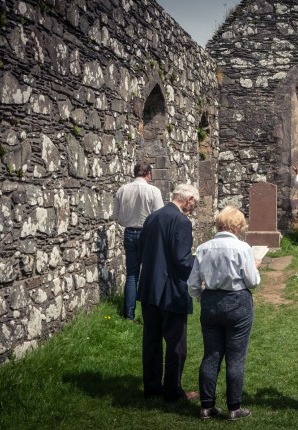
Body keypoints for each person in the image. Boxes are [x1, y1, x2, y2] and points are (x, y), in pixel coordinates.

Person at [188, 207, 260, 421]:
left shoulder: (203, 248)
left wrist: (203, 297)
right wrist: (255, 267)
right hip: (237, 302)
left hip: (211, 301)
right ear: (237, 226)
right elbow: (252, 282)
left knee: (211, 354)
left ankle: (206, 406)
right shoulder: (242, 248)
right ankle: (234, 407)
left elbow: (192, 283)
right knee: (236, 356)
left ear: (219, 224)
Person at [138, 182, 200, 402]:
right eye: (195, 204)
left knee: (151, 341)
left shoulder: (152, 217)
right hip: (171, 289)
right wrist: (201, 262)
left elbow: (142, 248)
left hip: (149, 287)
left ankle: (152, 388)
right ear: (189, 199)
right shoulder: (181, 221)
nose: (193, 209)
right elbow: (182, 260)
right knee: (176, 344)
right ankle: (172, 391)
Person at [113, 161, 164, 320]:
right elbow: (159, 216)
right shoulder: (153, 191)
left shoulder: (122, 190)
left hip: (129, 232)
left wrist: (128, 221)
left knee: (132, 275)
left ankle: (129, 315)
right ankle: (150, 316)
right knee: (150, 274)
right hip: (148, 234)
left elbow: (116, 217)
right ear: (148, 173)